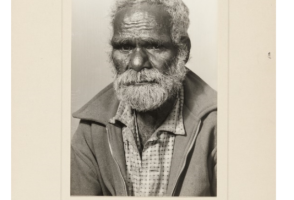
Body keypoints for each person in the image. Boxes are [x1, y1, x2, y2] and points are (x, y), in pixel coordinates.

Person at [71, 0, 217, 196]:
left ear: (183, 50)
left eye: (154, 46)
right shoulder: (91, 129)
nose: (137, 62)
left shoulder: (219, 125)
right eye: (124, 47)